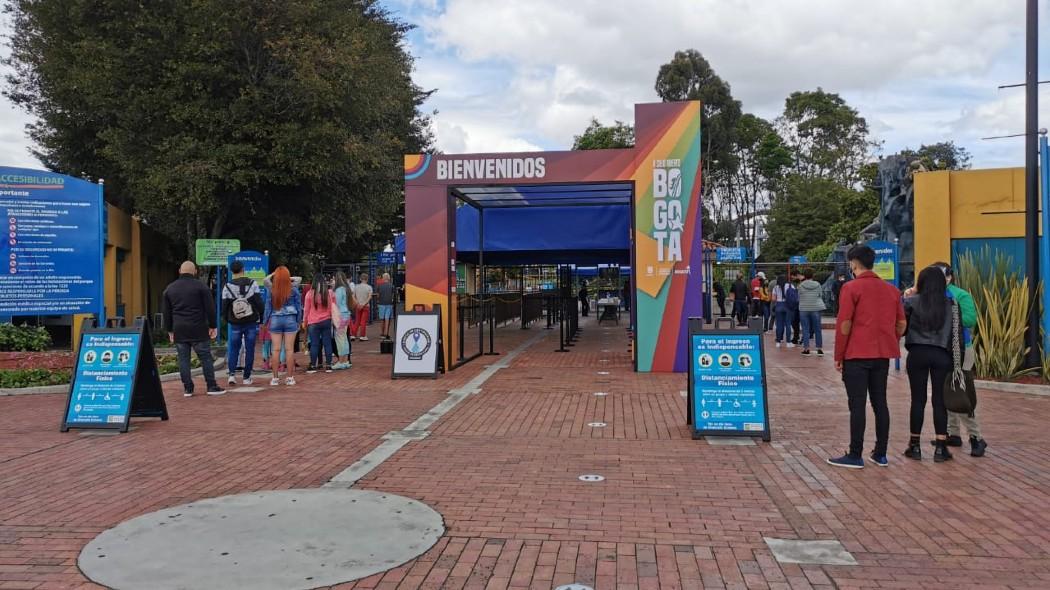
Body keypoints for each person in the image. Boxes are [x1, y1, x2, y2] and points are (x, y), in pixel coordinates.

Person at [828, 245, 906, 469]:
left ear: (853, 263)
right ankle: (880, 453)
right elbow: (901, 324)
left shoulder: (851, 288)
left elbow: (844, 324)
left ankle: (855, 454)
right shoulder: (892, 291)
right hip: (882, 355)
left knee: (857, 404)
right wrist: (889, 338)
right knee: (880, 402)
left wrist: (839, 355)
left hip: (856, 354)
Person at [929, 262, 987, 457]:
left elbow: (970, 320)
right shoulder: (931, 295)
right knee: (946, 392)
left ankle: (976, 437)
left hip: (960, 350)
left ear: (949, 277)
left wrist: (947, 312)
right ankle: (952, 433)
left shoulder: (959, 295)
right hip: (941, 349)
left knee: (959, 392)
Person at [901, 267, 956, 462]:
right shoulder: (951, 304)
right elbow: (955, 336)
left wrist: (908, 295)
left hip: (917, 353)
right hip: (942, 354)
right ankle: (941, 447)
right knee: (940, 401)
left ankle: (914, 445)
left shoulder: (910, 302)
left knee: (918, 399)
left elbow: (901, 329)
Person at [162, 261, 225, 397]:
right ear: (195, 271)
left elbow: (166, 313)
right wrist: (213, 326)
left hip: (179, 328)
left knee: (183, 359)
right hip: (198, 327)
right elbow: (210, 309)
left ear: (179, 270)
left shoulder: (169, 289)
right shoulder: (201, 287)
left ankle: (188, 388)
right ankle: (211, 386)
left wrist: (170, 330)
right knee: (206, 358)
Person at [222, 260, 264, 386]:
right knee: (250, 348)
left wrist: (227, 319)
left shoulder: (227, 286)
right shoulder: (253, 284)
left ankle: (231, 375)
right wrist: (261, 317)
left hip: (235, 322)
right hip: (250, 321)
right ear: (243, 269)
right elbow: (259, 303)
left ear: (231, 271)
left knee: (234, 348)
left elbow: (224, 306)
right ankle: (246, 377)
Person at [264, 266, 303, 386]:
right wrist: (298, 320)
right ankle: (290, 378)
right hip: (290, 320)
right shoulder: (294, 289)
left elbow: (268, 307)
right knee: (289, 350)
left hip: (275, 319)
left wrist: (265, 321)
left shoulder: (272, 289)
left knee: (275, 350)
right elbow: (298, 307)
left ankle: (275, 378)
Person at [303, 273, 335, 373]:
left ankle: (313, 365)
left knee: (314, 344)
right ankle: (329, 365)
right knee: (327, 343)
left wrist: (305, 321)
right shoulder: (329, 293)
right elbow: (332, 307)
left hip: (313, 322)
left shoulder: (309, 294)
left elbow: (306, 310)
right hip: (326, 320)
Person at [798, 268, 826, 356]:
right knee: (817, 329)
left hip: (804, 308)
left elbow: (799, 296)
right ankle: (819, 349)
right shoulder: (817, 284)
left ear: (804, 276)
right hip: (816, 308)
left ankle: (806, 349)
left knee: (805, 329)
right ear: (812, 275)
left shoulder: (801, 285)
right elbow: (820, 295)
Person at [331, 272, 353, 370]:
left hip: (340, 316)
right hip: (346, 315)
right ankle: (345, 360)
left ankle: (340, 361)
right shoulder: (346, 289)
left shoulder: (338, 290)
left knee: (339, 339)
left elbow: (337, 304)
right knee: (344, 338)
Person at [771, 275, 795, 347]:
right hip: (787, 305)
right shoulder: (790, 286)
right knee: (788, 324)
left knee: (779, 325)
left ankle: (778, 342)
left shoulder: (775, 287)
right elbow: (793, 296)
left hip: (778, 305)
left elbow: (773, 299)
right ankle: (788, 342)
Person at [351, 273, 373, 340]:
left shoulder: (356, 286)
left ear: (360, 279)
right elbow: (369, 297)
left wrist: (357, 303)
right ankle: (362, 336)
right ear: (367, 279)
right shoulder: (369, 287)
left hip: (358, 305)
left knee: (357, 321)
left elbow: (353, 296)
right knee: (363, 321)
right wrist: (364, 304)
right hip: (365, 306)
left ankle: (353, 335)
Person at [376, 272, 395, 339]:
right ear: (389, 278)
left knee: (382, 319)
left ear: (383, 278)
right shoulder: (391, 286)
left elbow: (378, 296)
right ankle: (386, 333)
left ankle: (382, 333)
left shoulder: (379, 286)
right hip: (389, 304)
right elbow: (393, 296)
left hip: (381, 304)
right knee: (387, 319)